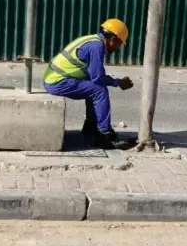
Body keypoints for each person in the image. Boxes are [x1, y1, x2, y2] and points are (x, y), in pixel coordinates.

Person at [43, 19, 134, 149]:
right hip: (58, 82)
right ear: (113, 39)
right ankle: (105, 134)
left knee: (93, 90)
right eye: (119, 44)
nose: (118, 48)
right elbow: (97, 78)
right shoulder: (97, 47)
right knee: (99, 90)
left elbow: (93, 75)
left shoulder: (92, 40)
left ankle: (91, 130)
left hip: (54, 79)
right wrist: (118, 82)